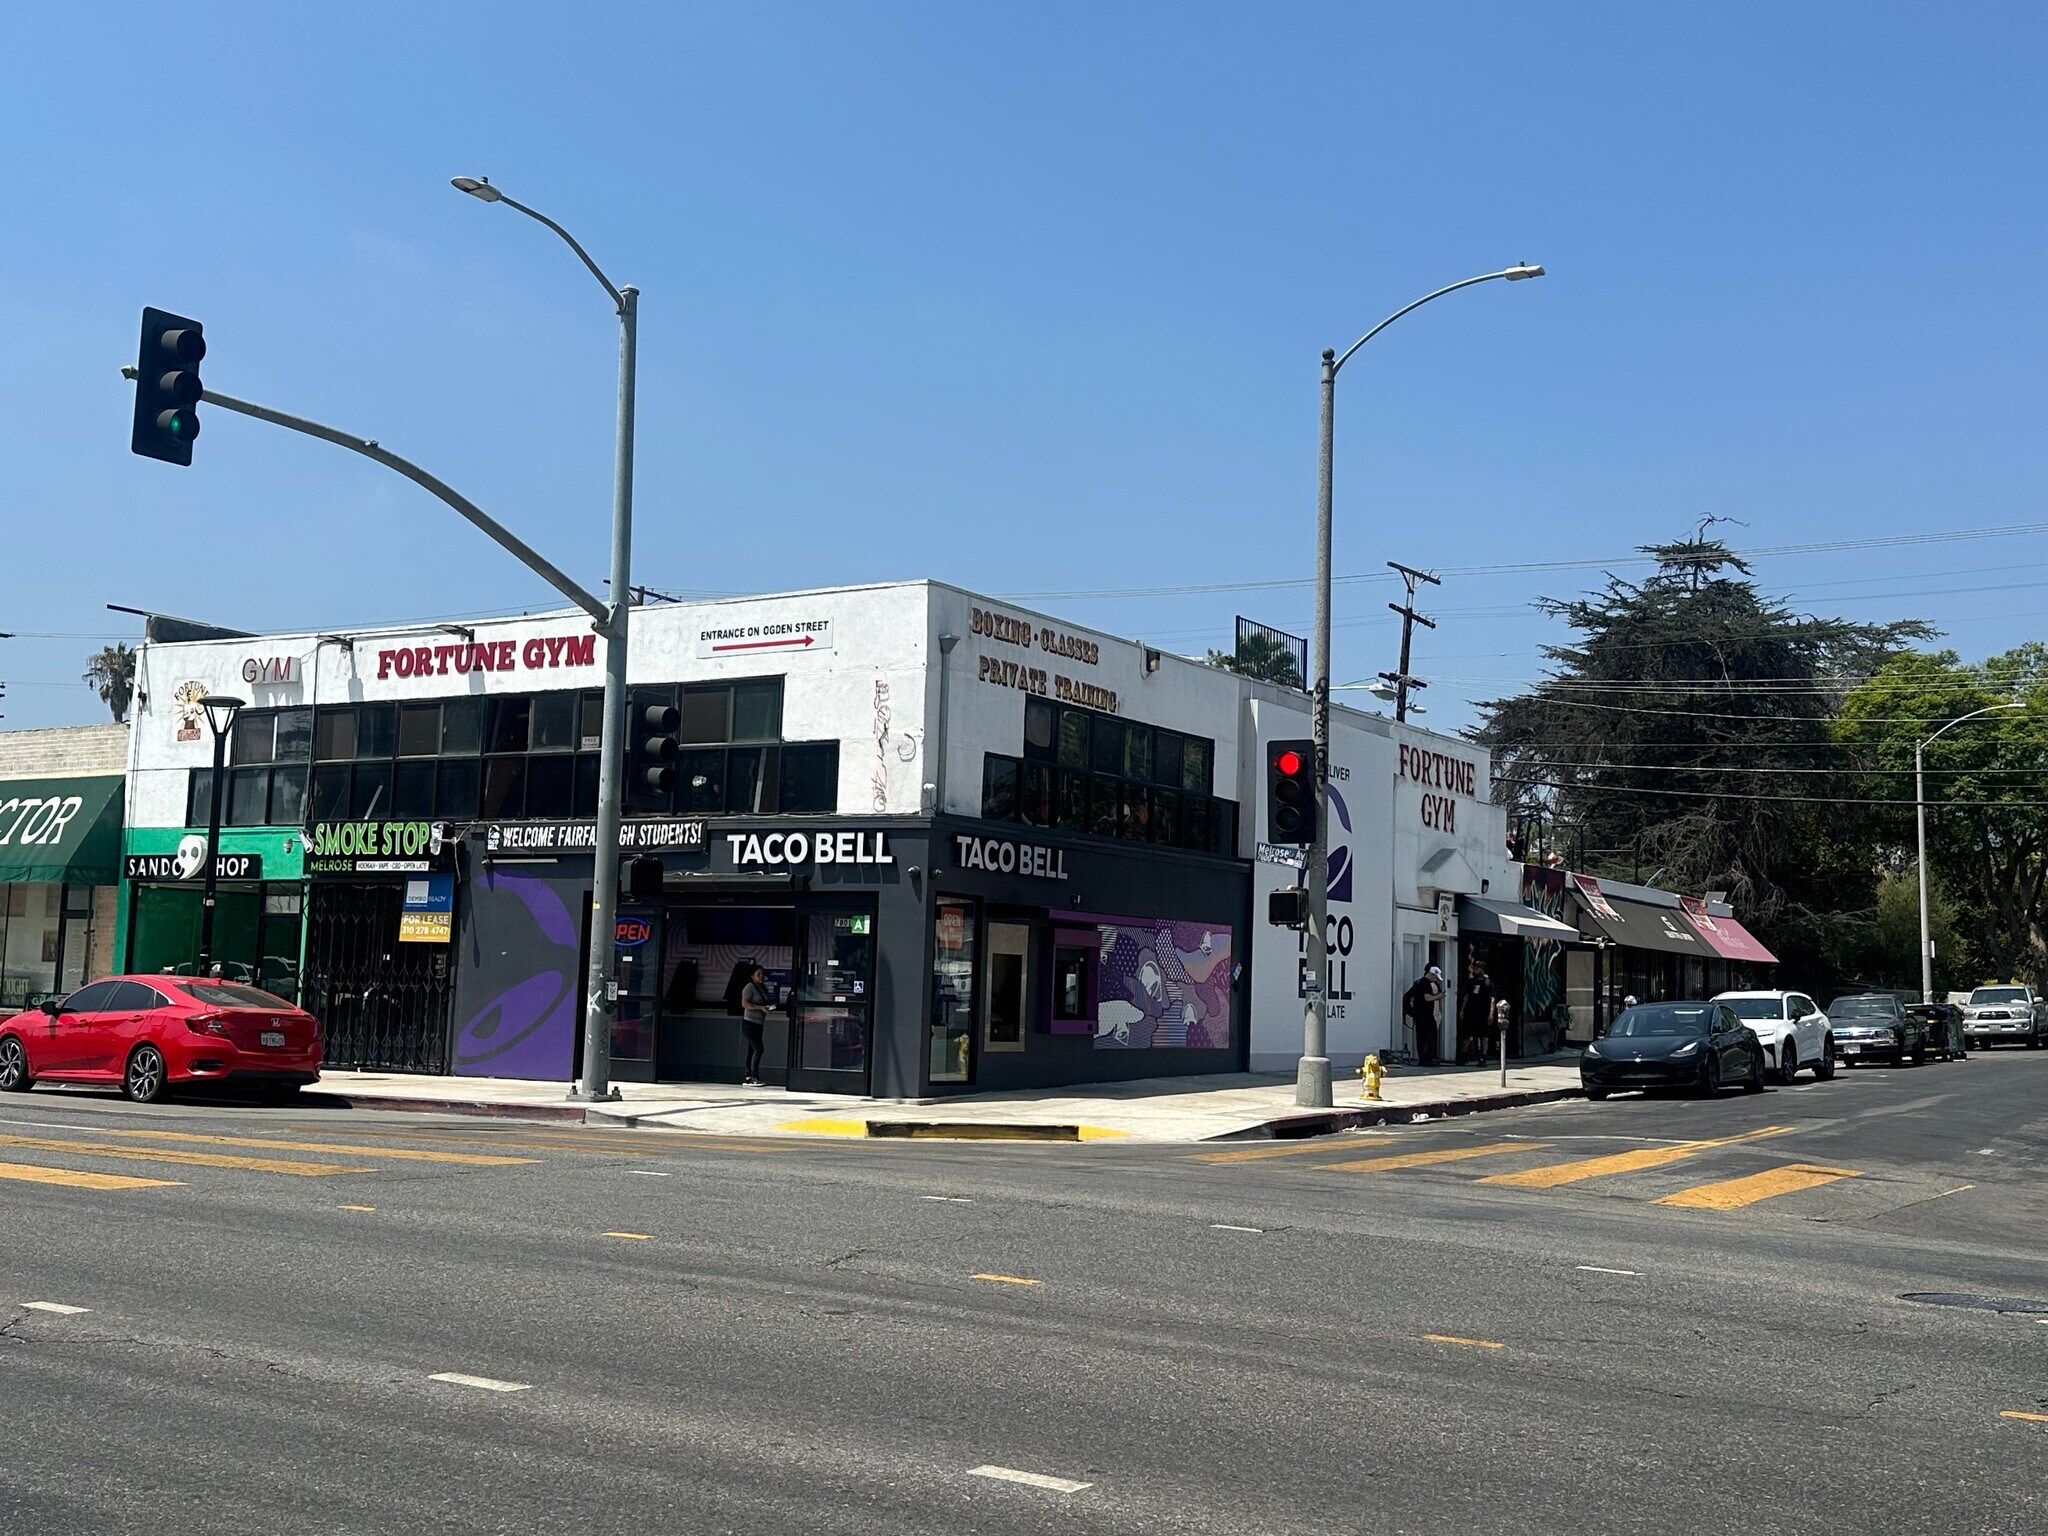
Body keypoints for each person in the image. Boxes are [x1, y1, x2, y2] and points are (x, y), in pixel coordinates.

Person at [1402, 965, 1446, 1065]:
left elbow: (1408, 995)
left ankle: (1427, 1057)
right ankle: (1425, 1058)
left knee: (1425, 1036)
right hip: (1424, 1014)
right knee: (1427, 1036)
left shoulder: (1419, 982)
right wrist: (1438, 996)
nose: (1436, 979)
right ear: (1431, 974)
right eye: (1435, 977)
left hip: (1424, 1014)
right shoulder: (1424, 983)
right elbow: (1426, 997)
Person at [739, 964, 772, 1086]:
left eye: (763, 974)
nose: (761, 976)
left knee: (752, 1049)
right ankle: (754, 1076)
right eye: (758, 974)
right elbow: (745, 1004)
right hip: (749, 1023)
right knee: (759, 1048)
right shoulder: (749, 987)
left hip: (759, 1023)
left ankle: (748, 1075)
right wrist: (760, 1008)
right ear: (752, 976)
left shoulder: (762, 988)